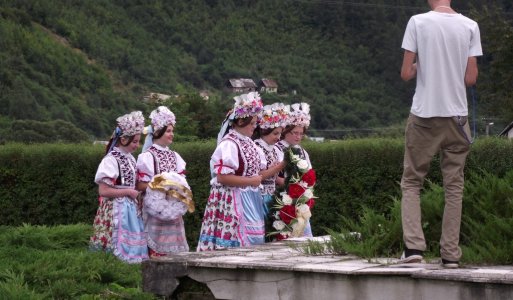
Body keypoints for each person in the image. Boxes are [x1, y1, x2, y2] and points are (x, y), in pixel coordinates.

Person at [398, 0, 482, 268]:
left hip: (424, 116)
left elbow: (405, 74)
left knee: (412, 181)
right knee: (454, 186)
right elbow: (471, 78)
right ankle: (450, 254)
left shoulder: (417, 22)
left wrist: (421, 63)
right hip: (457, 118)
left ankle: (413, 248)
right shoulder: (470, 26)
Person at [197, 91, 265, 251]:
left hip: (250, 199)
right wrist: (251, 181)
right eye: (252, 123)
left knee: (254, 241)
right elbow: (222, 177)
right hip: (231, 199)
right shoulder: (229, 144)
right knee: (236, 243)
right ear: (241, 120)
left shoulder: (250, 144)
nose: (254, 127)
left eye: (255, 123)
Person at [90, 111, 149, 263]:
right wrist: (129, 192)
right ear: (123, 139)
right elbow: (103, 190)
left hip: (130, 210)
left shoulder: (130, 159)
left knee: (133, 249)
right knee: (114, 253)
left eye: (138, 141)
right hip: (114, 210)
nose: (137, 145)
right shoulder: (111, 160)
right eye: (135, 141)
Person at [136, 106, 189, 257]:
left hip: (173, 208)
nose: (172, 134)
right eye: (168, 131)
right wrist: (160, 186)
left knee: (175, 250)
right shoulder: (147, 157)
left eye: (172, 131)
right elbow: (140, 185)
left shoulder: (175, 157)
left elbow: (182, 183)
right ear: (158, 132)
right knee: (156, 249)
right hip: (155, 209)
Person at [275, 102, 313, 237]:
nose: (298, 136)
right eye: (295, 133)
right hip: (282, 197)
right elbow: (273, 176)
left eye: (301, 134)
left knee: (303, 230)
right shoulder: (277, 149)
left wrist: (304, 189)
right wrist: (289, 184)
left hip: (299, 198)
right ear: (285, 131)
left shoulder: (302, 151)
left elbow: (309, 175)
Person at [253, 103, 288, 227]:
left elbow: (275, 178)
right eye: (275, 133)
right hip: (258, 196)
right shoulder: (256, 147)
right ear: (264, 130)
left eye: (280, 134)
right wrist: (279, 167)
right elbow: (259, 176)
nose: (278, 138)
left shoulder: (275, 150)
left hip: (272, 195)